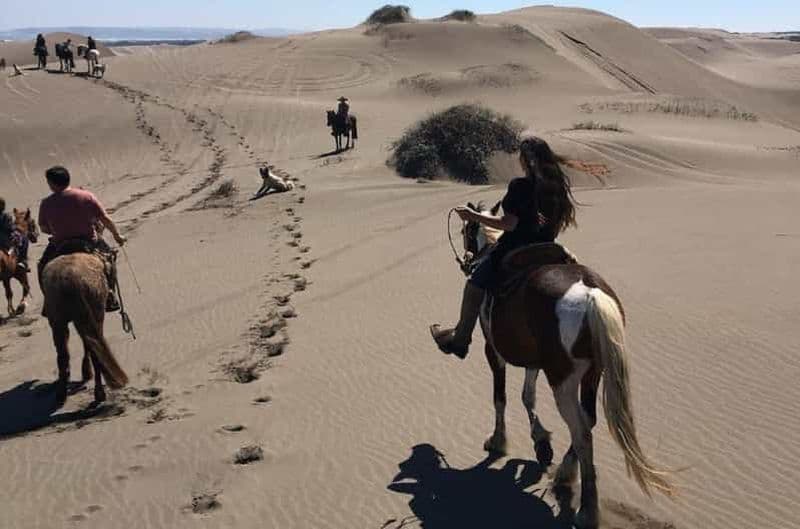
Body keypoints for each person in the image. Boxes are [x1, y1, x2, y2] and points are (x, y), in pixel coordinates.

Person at [430, 137, 578, 358]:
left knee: (474, 285)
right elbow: (556, 223)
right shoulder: (556, 187)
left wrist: (472, 216)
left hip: (515, 249)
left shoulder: (520, 186)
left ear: (525, 160)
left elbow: (508, 224)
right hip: (549, 248)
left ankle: (460, 341)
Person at [37, 166, 126, 312]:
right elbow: (104, 218)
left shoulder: (46, 203)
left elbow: (43, 228)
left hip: (60, 244)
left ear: (52, 183)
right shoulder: (86, 196)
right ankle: (109, 293)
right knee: (109, 260)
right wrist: (117, 236)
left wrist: (57, 229)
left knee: (42, 266)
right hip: (89, 242)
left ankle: (49, 302)